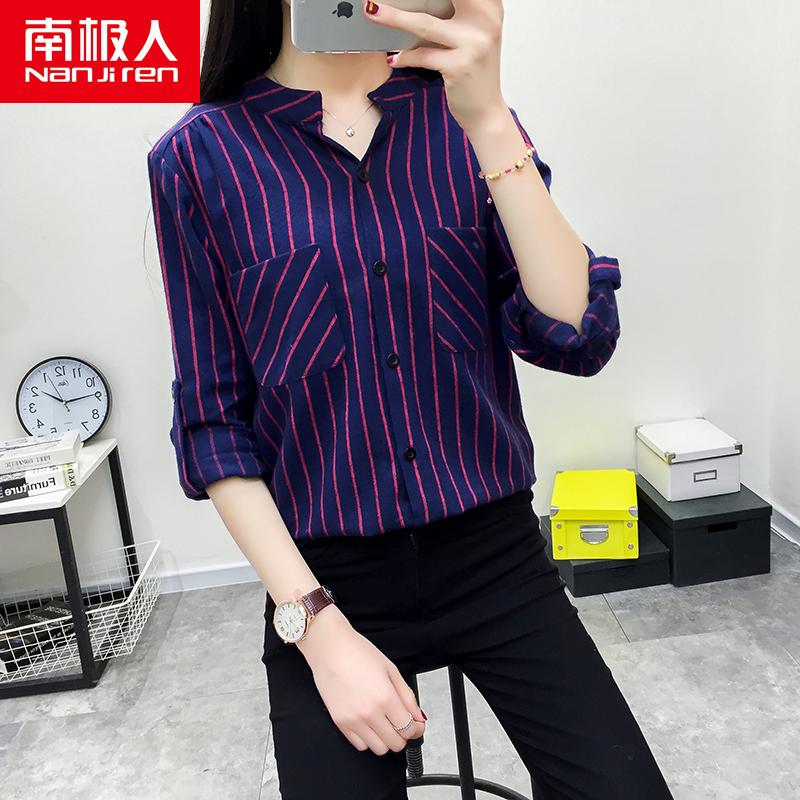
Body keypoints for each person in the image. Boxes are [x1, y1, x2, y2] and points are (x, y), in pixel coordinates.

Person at [147, 1, 674, 797]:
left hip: (495, 554)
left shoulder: (462, 121)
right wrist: (317, 631)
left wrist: (490, 119)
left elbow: (575, 336)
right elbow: (214, 423)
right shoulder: (198, 158)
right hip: (326, 576)